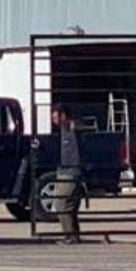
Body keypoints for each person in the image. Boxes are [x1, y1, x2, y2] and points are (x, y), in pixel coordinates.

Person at [52, 104, 83, 244]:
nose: (53, 118)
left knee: (61, 204)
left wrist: (72, 124)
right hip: (63, 172)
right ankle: (74, 234)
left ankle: (70, 235)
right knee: (69, 205)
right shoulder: (59, 131)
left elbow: (79, 126)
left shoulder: (70, 127)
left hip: (70, 172)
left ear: (63, 115)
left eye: (55, 115)